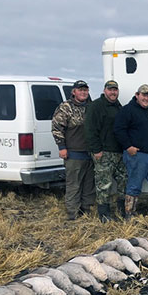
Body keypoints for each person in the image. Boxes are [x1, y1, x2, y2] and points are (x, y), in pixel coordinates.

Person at [114, 83, 148, 219]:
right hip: (138, 155)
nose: (146, 98)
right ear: (137, 95)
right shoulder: (128, 110)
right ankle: (130, 214)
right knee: (134, 185)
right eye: (144, 95)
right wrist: (128, 147)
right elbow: (119, 130)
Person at [85, 79, 128, 222]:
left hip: (118, 152)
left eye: (115, 90)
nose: (113, 92)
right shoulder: (95, 106)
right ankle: (104, 214)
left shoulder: (118, 106)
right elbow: (90, 130)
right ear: (105, 91)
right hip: (103, 152)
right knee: (104, 184)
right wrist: (96, 150)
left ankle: (122, 211)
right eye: (110, 89)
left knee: (123, 181)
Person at [51, 80, 95, 220]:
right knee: (74, 185)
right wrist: (62, 147)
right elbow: (57, 127)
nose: (83, 92)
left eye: (85, 90)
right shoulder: (65, 107)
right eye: (80, 90)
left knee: (89, 185)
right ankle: (72, 214)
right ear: (74, 92)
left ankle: (86, 211)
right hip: (73, 153)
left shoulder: (91, 107)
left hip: (90, 153)